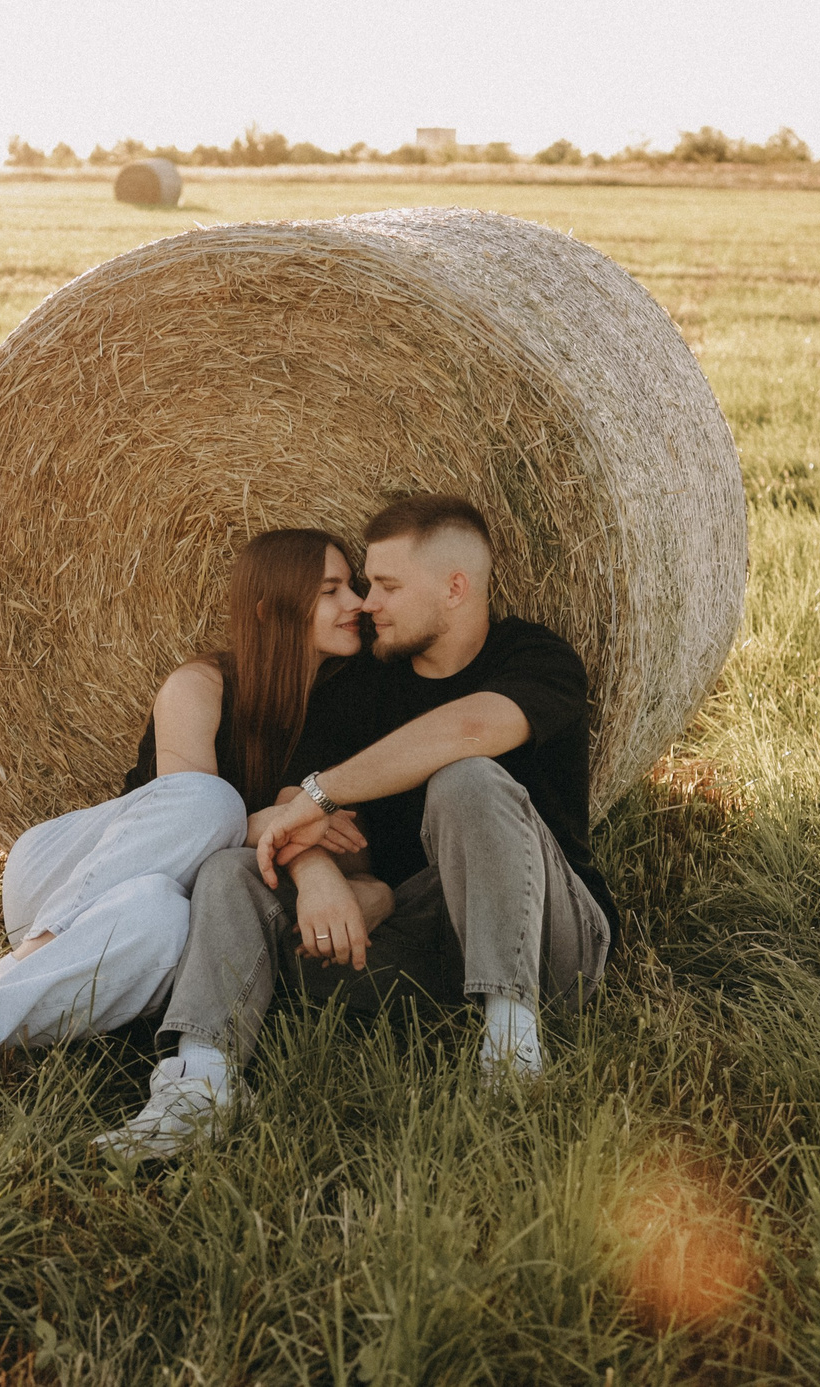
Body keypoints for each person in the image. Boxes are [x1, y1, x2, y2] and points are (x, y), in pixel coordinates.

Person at [95, 493, 613, 1162]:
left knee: (466, 777)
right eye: (364, 585)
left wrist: (323, 792)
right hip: (421, 942)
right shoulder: (357, 685)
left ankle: (514, 1048)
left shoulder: (535, 657)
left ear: (455, 588)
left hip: (548, 942)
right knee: (232, 870)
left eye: (387, 585)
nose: (368, 603)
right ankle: (201, 1084)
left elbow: (468, 730)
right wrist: (329, 879)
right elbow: (298, 813)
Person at [0, 527, 387, 1089]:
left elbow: (350, 844)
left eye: (353, 585)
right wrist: (294, 826)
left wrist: (297, 831)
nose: (357, 601)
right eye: (331, 591)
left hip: (139, 905)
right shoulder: (201, 684)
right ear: (270, 609)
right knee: (211, 801)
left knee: (162, 918)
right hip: (60, 878)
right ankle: (30, 958)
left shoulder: (347, 705)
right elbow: (195, 816)